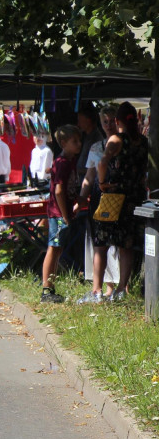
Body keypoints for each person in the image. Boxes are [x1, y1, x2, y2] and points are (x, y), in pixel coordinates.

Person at [91, 101, 149, 302]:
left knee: (101, 243)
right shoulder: (143, 141)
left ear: (117, 121)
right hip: (135, 198)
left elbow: (102, 162)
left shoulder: (116, 139)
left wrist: (101, 183)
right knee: (127, 244)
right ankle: (122, 289)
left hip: (114, 196)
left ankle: (97, 291)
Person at [78, 106, 120, 303]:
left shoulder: (127, 145)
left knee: (117, 243)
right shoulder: (96, 147)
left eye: (112, 120)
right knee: (99, 243)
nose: (109, 125)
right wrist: (80, 199)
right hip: (99, 198)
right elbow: (89, 176)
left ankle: (116, 287)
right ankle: (98, 288)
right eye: (105, 121)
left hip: (120, 197)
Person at [40, 125, 82, 303]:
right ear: (64, 143)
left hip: (62, 213)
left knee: (58, 249)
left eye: (79, 140)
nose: (79, 144)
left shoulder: (70, 161)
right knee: (54, 248)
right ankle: (46, 289)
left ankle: (51, 287)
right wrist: (65, 215)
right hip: (58, 213)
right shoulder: (62, 163)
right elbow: (58, 191)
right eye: (75, 141)